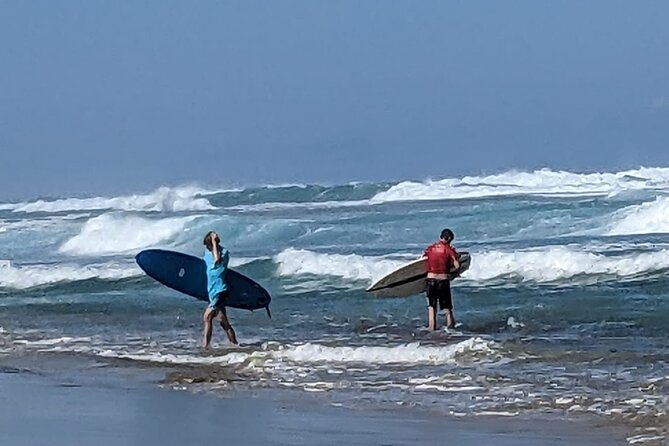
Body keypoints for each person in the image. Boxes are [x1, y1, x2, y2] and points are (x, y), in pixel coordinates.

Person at [202, 231, 238, 347]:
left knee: (207, 317)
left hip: (220, 291)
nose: (207, 247)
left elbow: (216, 260)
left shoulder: (224, 253)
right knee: (223, 322)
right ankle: (235, 345)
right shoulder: (207, 253)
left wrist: (213, 241)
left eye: (209, 245)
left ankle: (205, 346)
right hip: (212, 292)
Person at [423, 228, 460, 331]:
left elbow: (423, 261)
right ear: (448, 238)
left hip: (430, 280)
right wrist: (456, 274)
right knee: (447, 308)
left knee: (431, 307)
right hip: (442, 281)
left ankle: (431, 329)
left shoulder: (430, 248)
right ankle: (451, 330)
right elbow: (457, 265)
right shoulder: (448, 249)